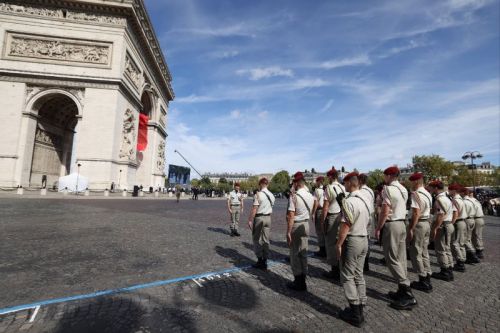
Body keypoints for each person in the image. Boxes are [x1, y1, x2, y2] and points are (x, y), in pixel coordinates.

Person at [375, 166, 416, 310]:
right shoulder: (403, 189)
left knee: (391, 258)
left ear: (389, 176)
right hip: (402, 223)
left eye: (385, 175)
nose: (384, 178)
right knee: (401, 258)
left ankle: (406, 291)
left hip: (392, 225)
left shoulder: (387, 189)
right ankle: (401, 289)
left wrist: (378, 227)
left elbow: (385, 210)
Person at [336, 172, 370, 327]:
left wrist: (338, 244)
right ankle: (361, 306)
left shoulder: (349, 201)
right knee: (358, 274)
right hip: (364, 238)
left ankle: (355, 312)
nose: (344, 185)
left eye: (345, 182)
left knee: (347, 276)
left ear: (350, 182)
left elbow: (345, 225)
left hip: (353, 240)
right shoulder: (366, 198)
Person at [286, 172, 314, 291]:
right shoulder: (309, 195)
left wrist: (288, 231)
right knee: (303, 252)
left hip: (296, 225)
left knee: (294, 254)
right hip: (306, 224)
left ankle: (298, 281)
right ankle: (303, 278)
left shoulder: (295, 196)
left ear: (297, 183)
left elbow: (291, 215)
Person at [407, 172, 433, 293]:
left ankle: (422, 279)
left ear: (416, 182)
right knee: (424, 251)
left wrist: (411, 228)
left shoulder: (416, 194)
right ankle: (427, 275)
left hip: (419, 224)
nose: (411, 184)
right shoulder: (427, 193)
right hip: (427, 222)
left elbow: (416, 213)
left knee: (416, 252)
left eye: (412, 182)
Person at [321, 168, 346, 281]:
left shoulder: (329, 188)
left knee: (330, 243)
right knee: (340, 242)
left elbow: (325, 207)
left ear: (331, 177)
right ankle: (341, 266)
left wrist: (322, 221)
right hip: (342, 216)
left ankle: (334, 269)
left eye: (328, 177)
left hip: (332, 216)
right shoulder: (343, 187)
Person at [428, 180, 456, 282]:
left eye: (430, 187)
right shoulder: (447, 198)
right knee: (447, 248)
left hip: (443, 225)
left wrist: (435, 228)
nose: (429, 189)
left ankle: (444, 272)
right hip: (448, 224)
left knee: (440, 249)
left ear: (435, 188)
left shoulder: (440, 199)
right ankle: (449, 270)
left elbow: (440, 215)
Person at [247, 178, 275, 270]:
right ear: (267, 184)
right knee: (266, 240)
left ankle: (260, 260)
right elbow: (271, 208)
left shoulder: (258, 195)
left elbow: (255, 208)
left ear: (261, 184)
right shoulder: (272, 195)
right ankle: (265, 260)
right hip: (268, 218)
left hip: (259, 217)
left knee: (256, 239)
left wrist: (250, 220)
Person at [358, 173, 375, 272]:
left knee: (362, 239)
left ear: (360, 181)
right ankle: (366, 262)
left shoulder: (361, 191)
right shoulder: (370, 190)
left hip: (365, 217)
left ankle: (364, 262)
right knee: (367, 239)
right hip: (371, 215)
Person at [448, 183, 467, 271]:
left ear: (454, 191)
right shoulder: (461, 199)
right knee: (461, 243)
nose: (449, 192)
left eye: (450, 190)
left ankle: (460, 262)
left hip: (458, 222)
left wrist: (452, 223)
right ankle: (463, 259)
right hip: (463, 221)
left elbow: (455, 213)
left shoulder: (455, 200)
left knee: (455, 243)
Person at [461, 188, 480, 263]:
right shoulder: (471, 201)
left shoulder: (464, 201)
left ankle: (473, 255)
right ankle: (469, 254)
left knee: (466, 239)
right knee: (468, 238)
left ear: (463, 193)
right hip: (472, 219)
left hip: (467, 219)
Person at [312, 176, 326, 257]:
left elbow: (316, 203)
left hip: (320, 210)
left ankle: (322, 250)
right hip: (326, 210)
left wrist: (313, 213)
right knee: (324, 230)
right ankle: (326, 249)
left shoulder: (317, 190)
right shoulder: (326, 189)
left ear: (318, 182)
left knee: (319, 231)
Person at [469, 191, 485, 259]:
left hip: (476, 218)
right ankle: (479, 249)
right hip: (480, 218)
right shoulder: (476, 200)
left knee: (475, 235)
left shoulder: (470, 200)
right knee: (478, 235)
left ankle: (479, 251)